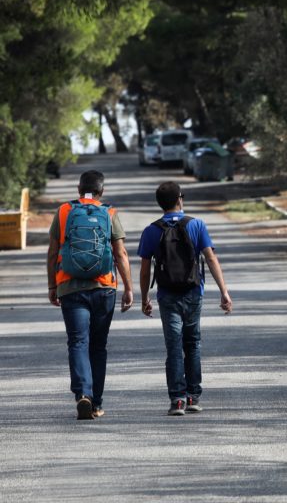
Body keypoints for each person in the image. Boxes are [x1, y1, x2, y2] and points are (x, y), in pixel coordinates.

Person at [138, 181, 232, 416]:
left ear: (160, 204)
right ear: (180, 199)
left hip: (167, 295)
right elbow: (210, 259)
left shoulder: (151, 230)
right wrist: (224, 291)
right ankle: (193, 396)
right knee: (192, 344)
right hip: (193, 293)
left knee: (173, 347)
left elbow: (145, 268)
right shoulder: (196, 225)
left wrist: (144, 298)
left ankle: (177, 400)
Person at [46, 170, 133, 420]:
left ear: (78, 189)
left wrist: (52, 286)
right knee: (98, 346)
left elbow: (53, 253)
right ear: (101, 191)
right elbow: (120, 254)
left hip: (70, 288)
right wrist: (128, 288)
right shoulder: (109, 212)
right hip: (103, 288)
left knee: (77, 342)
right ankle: (95, 404)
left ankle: (83, 394)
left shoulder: (63, 212)